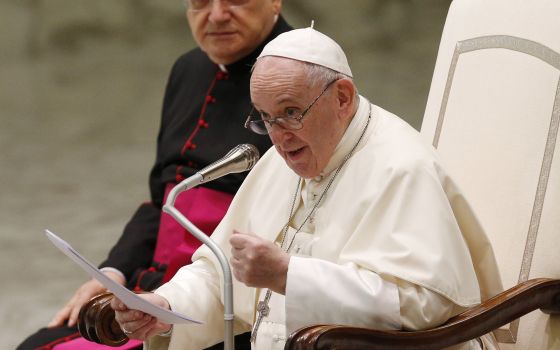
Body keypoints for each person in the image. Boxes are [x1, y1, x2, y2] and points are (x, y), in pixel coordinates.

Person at [111, 27, 504, 350]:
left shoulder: (401, 167)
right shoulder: (282, 161)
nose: (278, 138)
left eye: (291, 113)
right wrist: (165, 305)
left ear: (342, 98)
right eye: (265, 118)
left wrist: (288, 275)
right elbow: (221, 274)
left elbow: (423, 305)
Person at [17, 0, 290, 349]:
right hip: (152, 283)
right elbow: (162, 199)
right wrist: (113, 272)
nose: (217, 15)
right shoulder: (188, 68)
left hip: (228, 301)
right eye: (201, 1)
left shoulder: (300, 74)